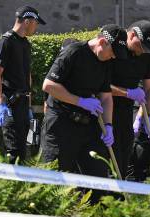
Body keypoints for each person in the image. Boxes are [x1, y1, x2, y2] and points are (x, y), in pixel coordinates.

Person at [41, 25, 128, 199]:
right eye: (112, 52)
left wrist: (109, 125)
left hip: (87, 127)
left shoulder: (105, 62)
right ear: (102, 42)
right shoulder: (74, 53)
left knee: (98, 177)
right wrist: (80, 101)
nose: (113, 57)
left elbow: (106, 96)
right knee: (54, 178)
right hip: (61, 123)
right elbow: (49, 86)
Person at [0, 6, 45, 164]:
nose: (36, 27)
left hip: (22, 104)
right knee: (13, 152)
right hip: (10, 105)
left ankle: (22, 187)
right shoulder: (5, 42)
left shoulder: (25, 44)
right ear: (27, 21)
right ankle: (12, 188)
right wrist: (0, 103)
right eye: (36, 23)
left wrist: (28, 106)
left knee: (23, 150)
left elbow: (27, 75)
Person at [109, 20, 150, 180]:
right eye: (141, 46)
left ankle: (120, 201)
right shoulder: (114, 48)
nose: (142, 51)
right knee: (107, 162)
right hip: (106, 112)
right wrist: (127, 93)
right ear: (131, 35)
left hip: (126, 115)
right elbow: (98, 86)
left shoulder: (145, 56)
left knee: (125, 162)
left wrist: (147, 115)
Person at [127, 51, 150, 182]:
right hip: (136, 107)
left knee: (139, 148)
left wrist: (141, 116)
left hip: (141, 108)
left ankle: (140, 179)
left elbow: (149, 91)